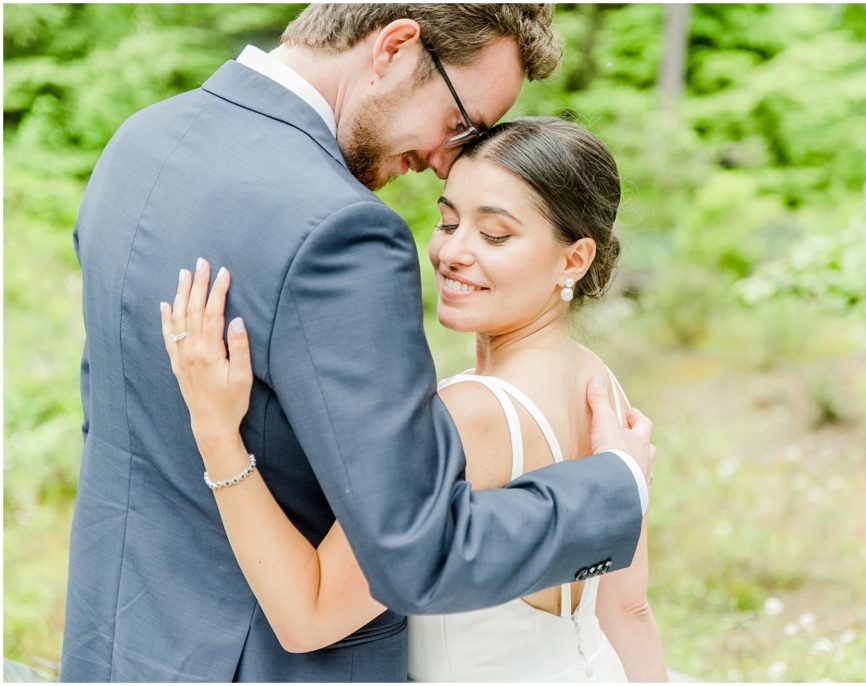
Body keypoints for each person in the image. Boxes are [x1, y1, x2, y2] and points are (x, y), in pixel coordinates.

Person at [62, 4, 655, 682]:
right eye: (460, 124)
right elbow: (414, 555)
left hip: (118, 636)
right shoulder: (338, 231)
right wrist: (616, 488)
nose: (443, 161)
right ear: (397, 47)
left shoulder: (141, 141)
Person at [160, 116, 668, 682]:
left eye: (494, 234)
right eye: (447, 221)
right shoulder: (601, 388)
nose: (452, 251)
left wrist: (216, 434)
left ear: (574, 260)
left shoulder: (472, 415)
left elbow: (309, 616)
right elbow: (628, 609)